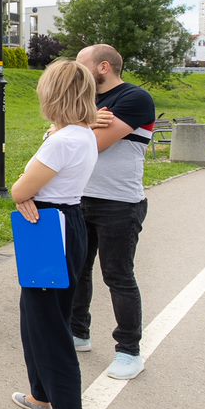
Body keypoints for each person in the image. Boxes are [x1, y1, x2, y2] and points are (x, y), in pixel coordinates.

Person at [11, 59, 99, 409]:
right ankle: (41, 396)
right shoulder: (79, 134)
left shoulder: (64, 140)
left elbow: (19, 189)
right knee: (37, 314)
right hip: (64, 221)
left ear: (54, 95)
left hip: (51, 227)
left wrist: (20, 194)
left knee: (47, 323)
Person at [71, 44, 157, 381]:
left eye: (82, 64)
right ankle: (78, 333)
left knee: (118, 276)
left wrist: (78, 126)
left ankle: (129, 351)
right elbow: (54, 136)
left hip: (119, 204)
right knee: (77, 271)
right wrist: (86, 120)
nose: (77, 71)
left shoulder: (135, 98)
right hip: (80, 198)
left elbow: (94, 144)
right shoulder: (87, 105)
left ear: (103, 67)